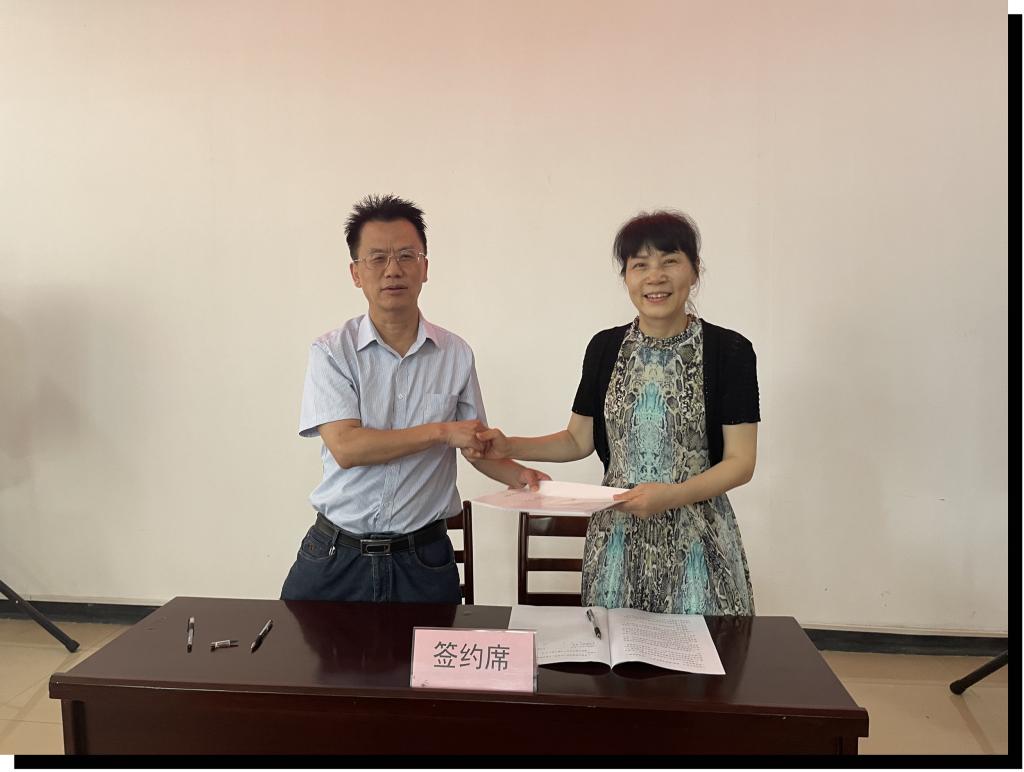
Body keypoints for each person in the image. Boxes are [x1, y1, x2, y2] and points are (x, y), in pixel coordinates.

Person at [466, 210, 759, 614]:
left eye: (670, 261)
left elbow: (741, 462)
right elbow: (577, 439)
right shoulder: (604, 348)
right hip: (618, 540)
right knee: (613, 649)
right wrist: (508, 445)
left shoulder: (730, 351)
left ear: (694, 271)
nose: (655, 277)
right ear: (626, 277)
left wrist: (672, 496)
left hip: (698, 539)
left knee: (703, 650)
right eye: (640, 265)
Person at [281, 194, 548, 604]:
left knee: (431, 652)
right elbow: (348, 448)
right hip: (336, 555)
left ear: (425, 268)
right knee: (299, 649)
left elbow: (473, 445)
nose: (393, 270)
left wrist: (521, 475)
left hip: (423, 560)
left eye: (407, 256)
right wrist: (441, 432)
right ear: (356, 273)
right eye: (377, 258)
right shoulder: (332, 352)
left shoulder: (456, 354)